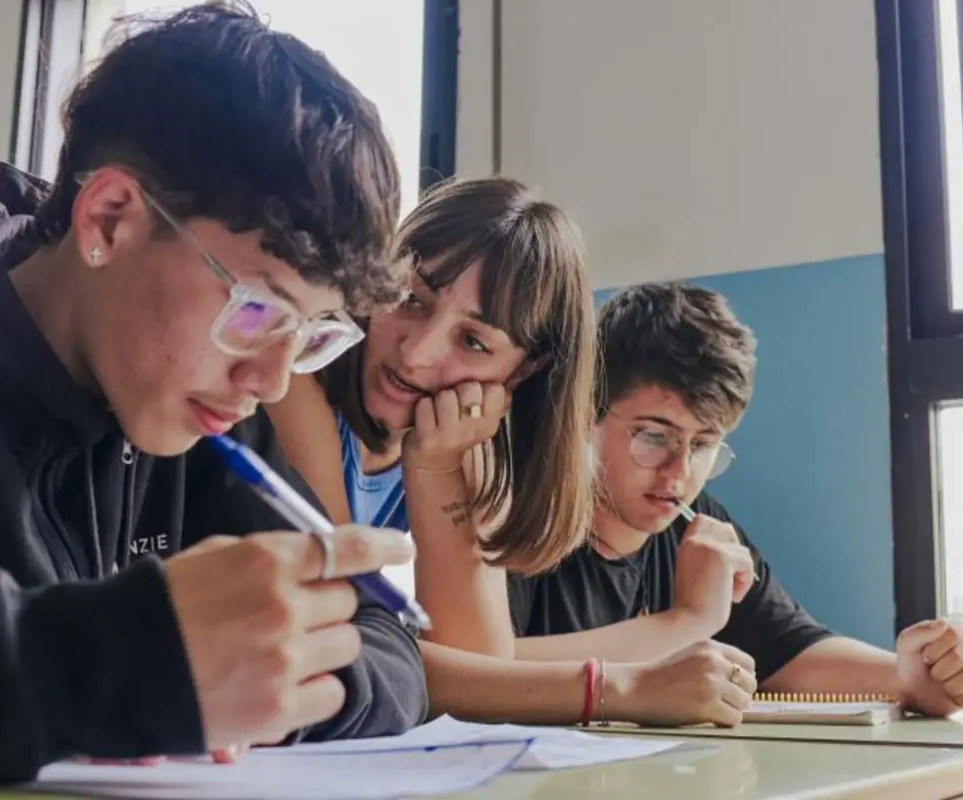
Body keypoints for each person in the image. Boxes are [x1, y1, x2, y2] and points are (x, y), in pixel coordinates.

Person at [0, 3, 428, 785]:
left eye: (316, 333)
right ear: (109, 220)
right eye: (257, 309)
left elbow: (385, 637)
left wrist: (274, 679)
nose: (273, 381)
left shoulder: (208, 418)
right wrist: (89, 671)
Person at [267, 178, 759, 729]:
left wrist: (435, 467)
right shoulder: (294, 380)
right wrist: (620, 688)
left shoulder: (469, 438)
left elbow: (478, 678)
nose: (418, 352)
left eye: (473, 341)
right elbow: (343, 650)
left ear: (525, 370)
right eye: (411, 299)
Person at [509, 281, 963, 718]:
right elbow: (486, 670)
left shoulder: (696, 522)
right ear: (586, 414)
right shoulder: (520, 512)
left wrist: (906, 678)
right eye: (653, 436)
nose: (679, 473)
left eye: (704, 445)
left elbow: (789, 651)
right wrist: (686, 621)